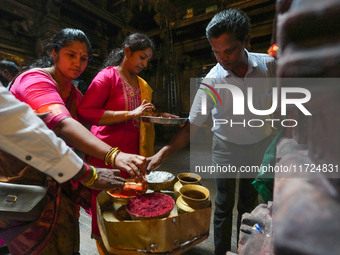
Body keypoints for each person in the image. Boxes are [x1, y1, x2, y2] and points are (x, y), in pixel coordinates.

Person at [147, 9, 276, 255]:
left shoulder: (269, 66)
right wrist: (162, 153)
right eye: (216, 52)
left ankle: (242, 249)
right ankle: (220, 252)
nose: (222, 58)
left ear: (246, 41)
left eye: (229, 50)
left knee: (248, 203)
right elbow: (193, 125)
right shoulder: (213, 80)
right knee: (224, 204)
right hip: (225, 147)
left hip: (259, 144)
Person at [7, 28, 147, 255]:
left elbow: (93, 118)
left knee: (67, 242)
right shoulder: (34, 79)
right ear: (54, 54)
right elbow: (63, 123)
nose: (78, 63)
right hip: (24, 177)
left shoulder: (73, 93)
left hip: (57, 175)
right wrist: (114, 155)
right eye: (70, 55)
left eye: (83, 58)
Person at [78, 32, 177, 253]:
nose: (145, 63)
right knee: (105, 207)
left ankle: (127, 245)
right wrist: (131, 113)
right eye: (142, 57)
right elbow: (86, 112)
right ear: (127, 51)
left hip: (133, 156)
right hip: (106, 154)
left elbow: (140, 116)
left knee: (131, 204)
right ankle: (105, 246)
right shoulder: (107, 77)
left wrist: (159, 117)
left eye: (148, 59)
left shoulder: (142, 83)